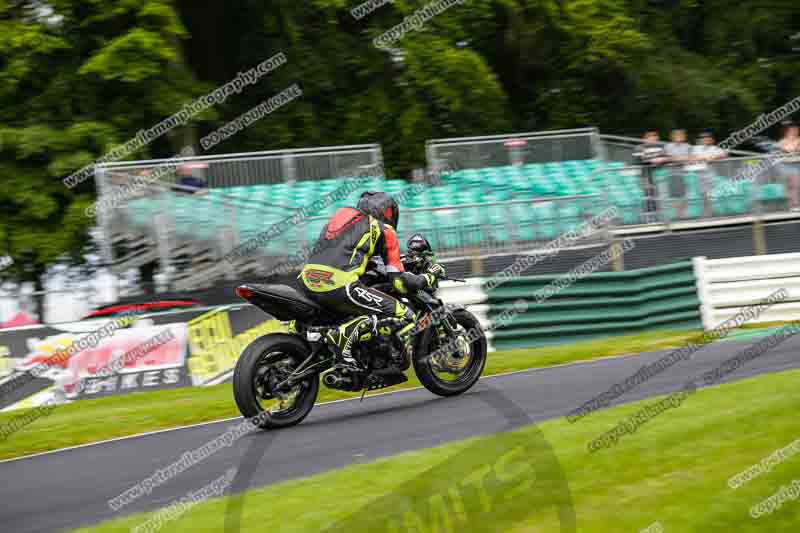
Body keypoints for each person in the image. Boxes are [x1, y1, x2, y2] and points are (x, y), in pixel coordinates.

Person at [298, 191, 446, 371]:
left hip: (306, 281)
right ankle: (343, 336)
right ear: (388, 212)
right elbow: (399, 283)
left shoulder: (338, 222)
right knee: (405, 314)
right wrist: (429, 276)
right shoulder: (384, 230)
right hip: (339, 285)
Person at [633, 131, 669, 221]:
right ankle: (648, 217)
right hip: (646, 175)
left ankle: (660, 217)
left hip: (659, 175)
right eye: (651, 137)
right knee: (648, 195)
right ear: (645, 139)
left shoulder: (661, 147)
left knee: (659, 196)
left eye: (655, 137)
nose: (653, 139)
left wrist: (659, 159)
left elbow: (666, 158)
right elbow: (638, 160)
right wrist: (652, 160)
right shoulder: (639, 147)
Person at [690, 131, 727, 215]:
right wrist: (702, 158)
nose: (706, 140)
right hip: (698, 175)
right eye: (704, 138)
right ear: (701, 140)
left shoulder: (715, 148)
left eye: (708, 138)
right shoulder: (696, 148)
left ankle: (715, 213)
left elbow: (724, 154)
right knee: (701, 195)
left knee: (713, 195)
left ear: (712, 140)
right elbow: (691, 157)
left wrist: (715, 157)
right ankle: (704, 213)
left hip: (711, 175)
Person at [665, 129, 692, 219]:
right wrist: (681, 159)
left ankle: (683, 215)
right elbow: (669, 158)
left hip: (685, 173)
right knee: (674, 196)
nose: (679, 137)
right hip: (672, 174)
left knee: (685, 195)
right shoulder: (668, 146)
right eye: (677, 135)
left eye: (681, 135)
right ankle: (677, 215)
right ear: (672, 137)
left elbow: (690, 158)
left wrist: (678, 159)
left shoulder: (688, 146)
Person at [776, 120, 800, 210]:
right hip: (785, 166)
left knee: (795, 185)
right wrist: (788, 149)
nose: (794, 130)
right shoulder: (782, 141)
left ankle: (795, 205)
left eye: (795, 128)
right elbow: (780, 148)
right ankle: (791, 205)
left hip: (796, 166)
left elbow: (795, 149)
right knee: (789, 186)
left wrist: (791, 149)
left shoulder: (798, 140)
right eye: (791, 129)